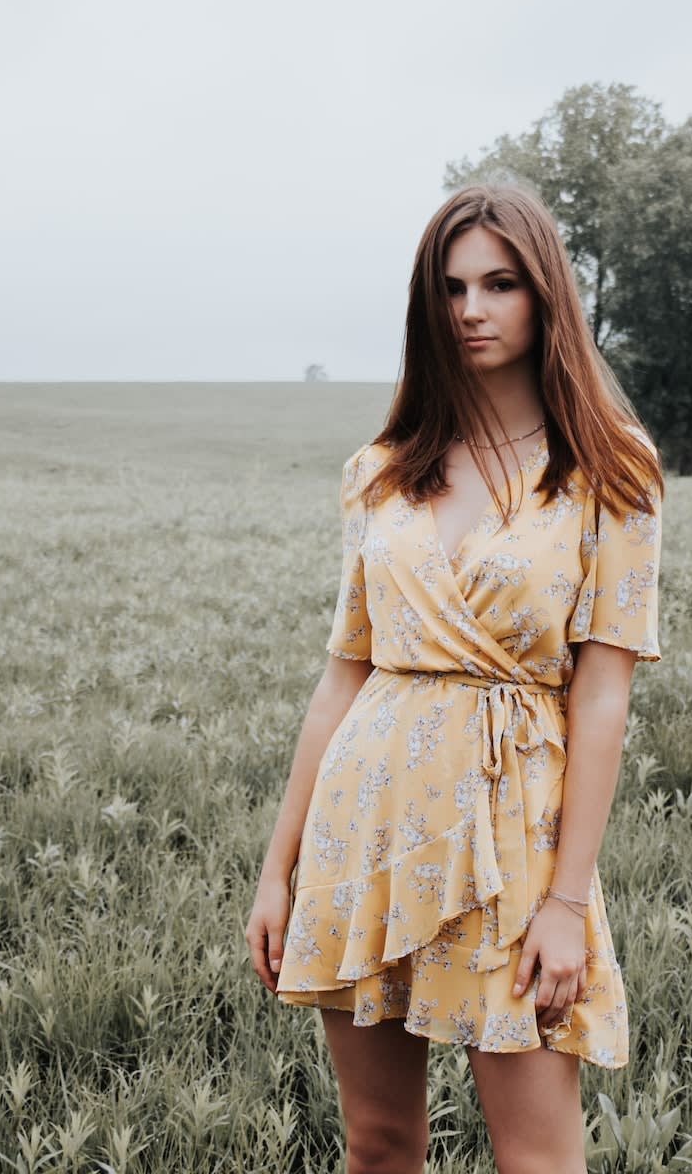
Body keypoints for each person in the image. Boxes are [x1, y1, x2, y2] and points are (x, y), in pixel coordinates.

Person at [243, 183, 666, 1172]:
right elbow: (344, 677)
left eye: (499, 283)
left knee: (538, 1159)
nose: (470, 308)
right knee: (380, 1145)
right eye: (450, 286)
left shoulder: (612, 468)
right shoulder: (380, 469)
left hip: (516, 835)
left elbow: (602, 695)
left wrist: (565, 901)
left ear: (546, 295)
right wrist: (278, 868)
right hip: (369, 824)